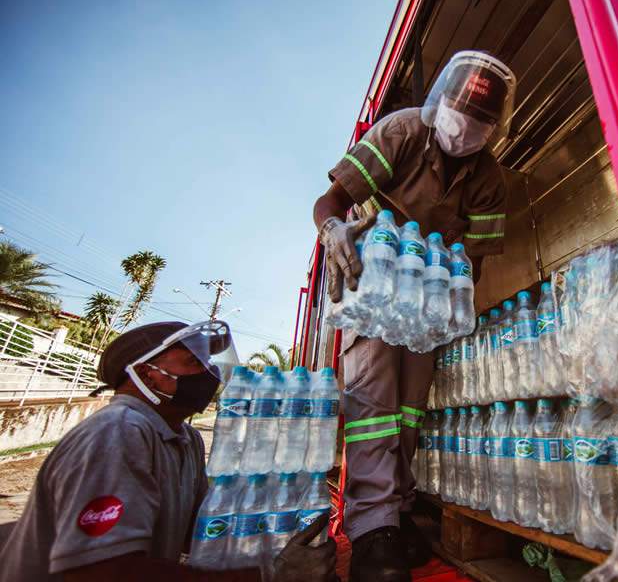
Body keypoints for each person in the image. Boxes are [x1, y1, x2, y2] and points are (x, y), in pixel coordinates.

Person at [314, 50, 516, 582]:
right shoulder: (401, 132)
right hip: (372, 280)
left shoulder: (489, 179)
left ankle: (396, 510)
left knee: (408, 410)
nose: (465, 128)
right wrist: (333, 230)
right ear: (441, 103)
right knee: (374, 402)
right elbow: (330, 200)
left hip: (426, 301)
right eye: (460, 112)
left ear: (492, 129)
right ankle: (371, 526)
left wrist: (449, 294)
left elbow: (474, 262)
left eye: (480, 122)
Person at [0, 320, 336, 582]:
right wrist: (266, 575)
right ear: (148, 375)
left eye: (208, 362)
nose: (210, 373)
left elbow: (199, 532)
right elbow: (101, 571)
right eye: (193, 362)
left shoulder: (186, 440)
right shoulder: (118, 431)